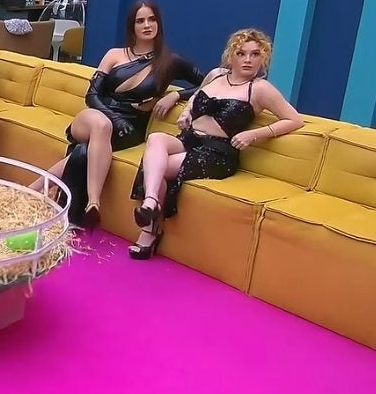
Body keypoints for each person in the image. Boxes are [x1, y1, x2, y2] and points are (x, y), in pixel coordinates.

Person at [29, 0, 206, 228]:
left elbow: (208, 82)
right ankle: (93, 201)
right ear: (132, 26)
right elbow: (92, 95)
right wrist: (113, 118)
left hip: (131, 128)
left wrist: (175, 95)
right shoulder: (114, 55)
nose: (147, 25)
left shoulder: (170, 61)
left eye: (151, 19)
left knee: (83, 152)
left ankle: (35, 192)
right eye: (140, 21)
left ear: (159, 24)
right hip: (96, 116)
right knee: (102, 126)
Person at [128, 28, 302, 259]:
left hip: (217, 152)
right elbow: (196, 96)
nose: (248, 60)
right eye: (241, 53)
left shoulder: (260, 89)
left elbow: (294, 120)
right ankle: (151, 203)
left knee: (158, 166)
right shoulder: (216, 75)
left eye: (255, 54)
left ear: (264, 58)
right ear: (231, 55)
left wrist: (254, 134)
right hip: (190, 139)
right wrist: (187, 113)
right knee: (156, 138)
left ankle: (149, 230)